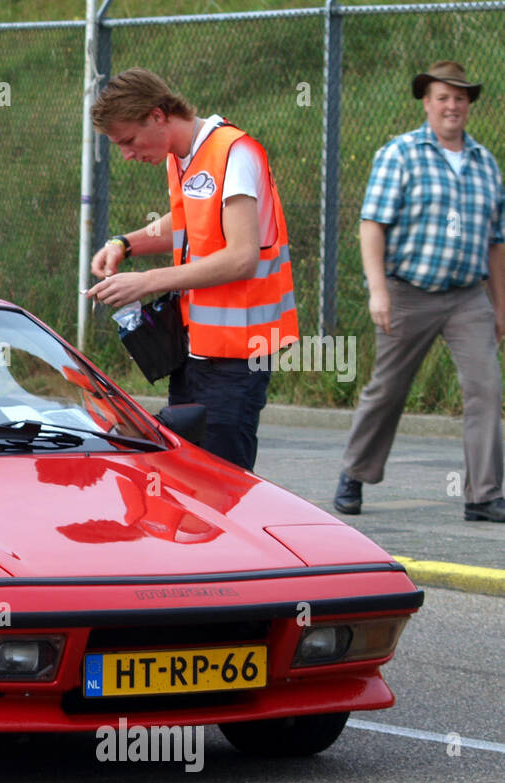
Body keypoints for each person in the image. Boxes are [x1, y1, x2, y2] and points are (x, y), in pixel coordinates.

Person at [86, 68, 298, 472]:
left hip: (237, 357)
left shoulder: (234, 151)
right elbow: (187, 223)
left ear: (158, 115)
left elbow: (241, 256)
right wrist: (125, 244)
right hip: (196, 352)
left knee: (221, 487)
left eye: (128, 140)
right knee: (188, 480)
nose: (128, 155)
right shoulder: (182, 157)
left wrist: (147, 282)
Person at [334, 61, 505, 521]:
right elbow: (373, 224)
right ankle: (354, 473)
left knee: (485, 388)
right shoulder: (400, 154)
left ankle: (483, 495)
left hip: (468, 297)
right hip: (407, 290)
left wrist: (500, 306)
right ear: (427, 103)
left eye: (460, 98)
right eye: (443, 97)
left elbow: (496, 244)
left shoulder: (485, 163)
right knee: (388, 389)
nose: (452, 106)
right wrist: (378, 290)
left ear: (469, 106)